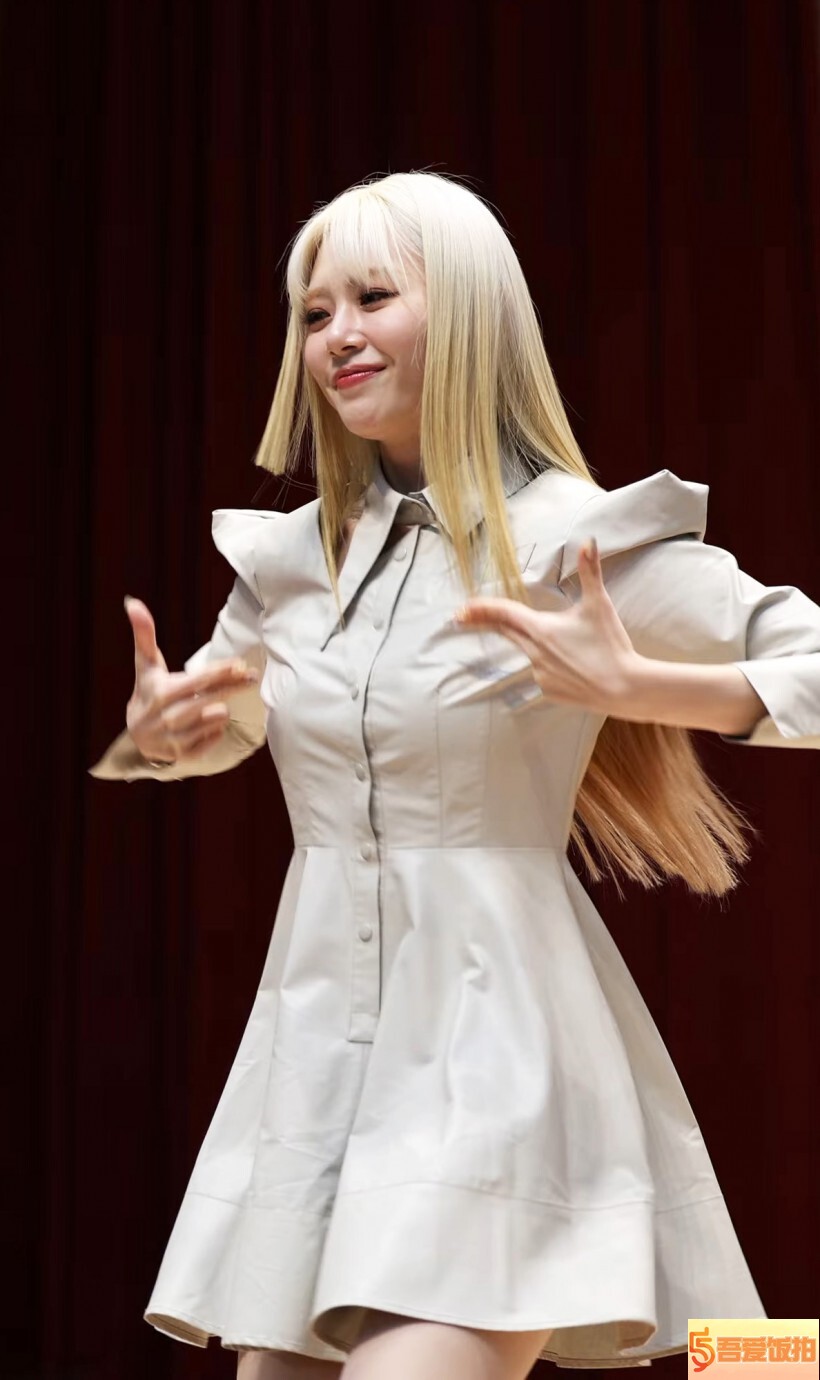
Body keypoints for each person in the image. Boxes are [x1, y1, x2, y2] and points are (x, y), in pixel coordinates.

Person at [89, 171, 820, 1380]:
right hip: (320, 1063)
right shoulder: (294, 562)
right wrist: (162, 738)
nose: (337, 334)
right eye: (314, 312)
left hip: (499, 1066)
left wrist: (640, 683)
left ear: (472, 312)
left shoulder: (576, 541)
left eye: (373, 297)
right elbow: (230, 717)